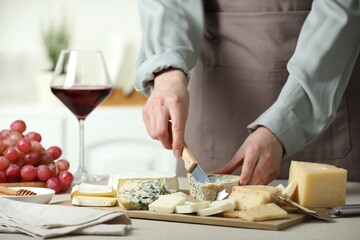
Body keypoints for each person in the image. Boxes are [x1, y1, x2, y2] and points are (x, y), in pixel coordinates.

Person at [135, 0, 360, 184]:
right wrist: (168, 77)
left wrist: (286, 124)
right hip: (214, 124)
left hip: (327, 122)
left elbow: (341, 10)